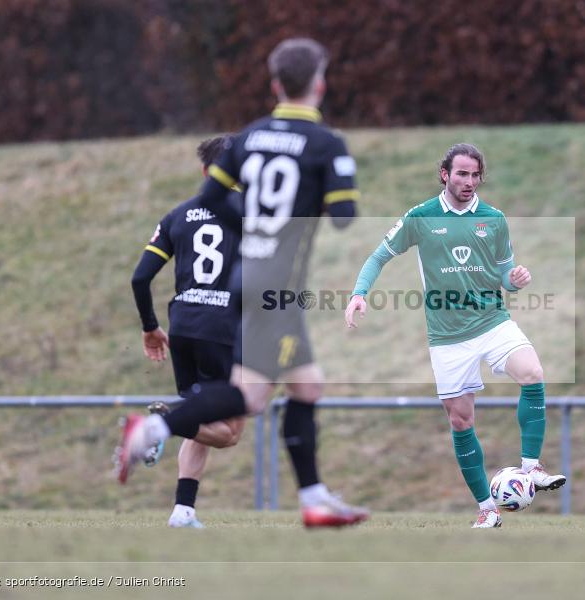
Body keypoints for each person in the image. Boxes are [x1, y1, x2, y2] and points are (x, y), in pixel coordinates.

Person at [116, 37, 369, 528]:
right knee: (257, 396)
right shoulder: (327, 143)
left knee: (300, 386)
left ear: (276, 85)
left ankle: (314, 498)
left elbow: (208, 200)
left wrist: (252, 224)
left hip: (245, 278)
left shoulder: (250, 136)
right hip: (277, 285)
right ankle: (152, 428)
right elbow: (344, 216)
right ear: (319, 83)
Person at [344, 143, 566, 528]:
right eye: (461, 173)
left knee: (532, 372)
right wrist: (359, 294)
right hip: (447, 337)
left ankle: (530, 468)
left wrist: (514, 281)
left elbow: (504, 274)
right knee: (461, 420)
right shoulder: (421, 216)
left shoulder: (493, 219)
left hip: (492, 321)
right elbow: (379, 255)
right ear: (444, 174)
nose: (468, 181)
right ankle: (487, 510)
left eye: (475, 174)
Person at [130, 135, 246, 528]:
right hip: (223, 329)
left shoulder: (177, 216)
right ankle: (161, 423)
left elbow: (140, 278)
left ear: (204, 172)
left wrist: (150, 328)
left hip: (181, 328)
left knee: (202, 422)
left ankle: (183, 511)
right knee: (229, 433)